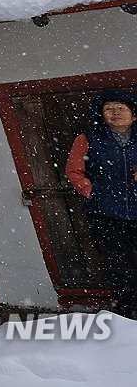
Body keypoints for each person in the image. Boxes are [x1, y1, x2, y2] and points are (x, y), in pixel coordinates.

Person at [65, 88, 137, 319]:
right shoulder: (87, 139)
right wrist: (93, 193)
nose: (115, 113)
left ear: (133, 115)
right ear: (101, 114)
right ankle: (127, 315)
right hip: (106, 214)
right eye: (109, 109)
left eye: (121, 108)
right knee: (120, 268)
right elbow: (74, 171)